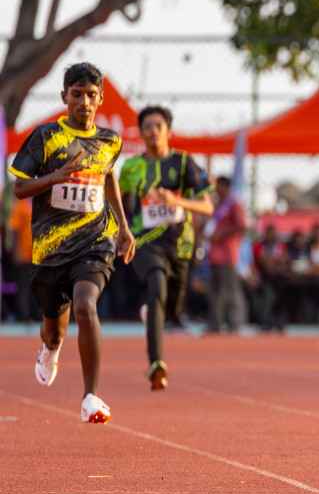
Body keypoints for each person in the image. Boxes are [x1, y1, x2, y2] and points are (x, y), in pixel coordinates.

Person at [8, 62, 136, 423]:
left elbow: (107, 175)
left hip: (95, 240)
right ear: (64, 96)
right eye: (76, 94)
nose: (83, 101)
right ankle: (51, 348)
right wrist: (54, 177)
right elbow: (19, 188)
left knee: (85, 305)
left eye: (90, 95)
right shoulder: (45, 137)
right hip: (50, 249)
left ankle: (90, 396)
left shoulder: (110, 141)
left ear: (100, 99)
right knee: (53, 329)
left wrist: (123, 227)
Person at [117, 105, 215, 389]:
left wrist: (176, 202)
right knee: (157, 285)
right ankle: (156, 364)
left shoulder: (184, 163)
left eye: (157, 125)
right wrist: (119, 231)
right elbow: (119, 202)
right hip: (144, 241)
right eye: (146, 126)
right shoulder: (132, 168)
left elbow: (207, 206)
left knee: (170, 308)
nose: (152, 131)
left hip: (181, 247)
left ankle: (156, 311)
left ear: (168, 131)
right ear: (140, 132)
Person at [205, 176, 248, 332]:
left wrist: (222, 235)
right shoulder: (218, 205)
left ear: (225, 186)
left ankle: (235, 322)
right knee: (214, 292)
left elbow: (242, 227)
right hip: (213, 254)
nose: (216, 189)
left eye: (218, 185)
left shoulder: (234, 205)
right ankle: (215, 323)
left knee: (231, 291)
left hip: (227, 254)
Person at [253, 224, 289, 331]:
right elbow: (264, 263)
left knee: (282, 294)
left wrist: (275, 266)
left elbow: (284, 259)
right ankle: (265, 319)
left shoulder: (280, 246)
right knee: (268, 295)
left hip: (279, 277)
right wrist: (274, 265)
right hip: (264, 277)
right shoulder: (259, 246)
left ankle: (279, 319)